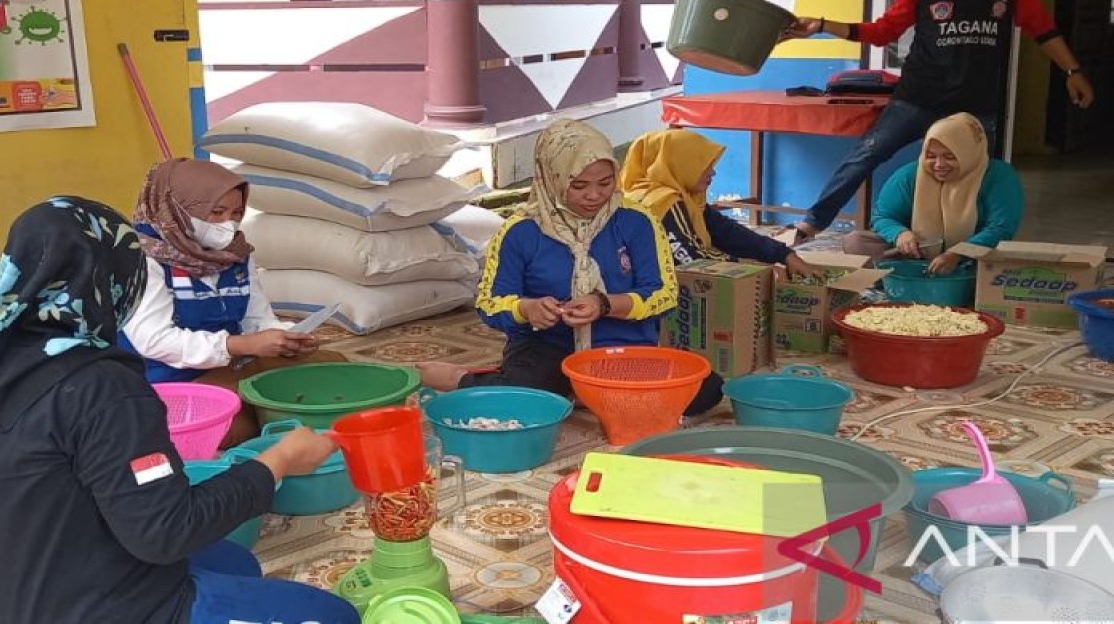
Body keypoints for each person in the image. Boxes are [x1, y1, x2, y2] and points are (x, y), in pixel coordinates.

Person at [0, 197, 360, 624]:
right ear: (116, 280)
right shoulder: (99, 386)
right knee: (331, 616)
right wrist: (276, 462)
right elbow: (167, 532)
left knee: (233, 561)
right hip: (98, 612)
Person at [782, 0, 1092, 245]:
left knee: (975, 177)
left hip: (974, 107)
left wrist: (1073, 71)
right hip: (917, 97)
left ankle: (968, 249)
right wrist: (823, 26)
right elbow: (882, 32)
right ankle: (809, 226)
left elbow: (1042, 29)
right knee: (865, 154)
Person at [417, 119, 723, 416]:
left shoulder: (636, 221)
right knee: (523, 392)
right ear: (552, 179)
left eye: (605, 183)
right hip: (549, 348)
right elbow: (489, 304)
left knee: (706, 389)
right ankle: (461, 380)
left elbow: (664, 295)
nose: (594, 196)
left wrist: (604, 304)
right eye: (578, 186)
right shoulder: (522, 231)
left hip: (621, 350)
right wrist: (527, 309)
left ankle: (581, 394)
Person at [121, 159, 345, 447]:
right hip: (166, 381)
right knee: (237, 426)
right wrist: (238, 346)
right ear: (177, 209)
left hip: (231, 365)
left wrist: (286, 335)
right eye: (216, 212)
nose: (228, 223)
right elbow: (155, 341)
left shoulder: (234, 254)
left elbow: (256, 318)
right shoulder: (142, 260)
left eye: (237, 212)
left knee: (332, 368)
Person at [619, 129, 821, 280]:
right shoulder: (660, 202)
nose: (712, 173)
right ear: (679, 164)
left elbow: (726, 232)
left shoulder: (685, 197)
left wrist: (784, 254)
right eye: (704, 166)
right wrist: (757, 269)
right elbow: (693, 259)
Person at [844, 112, 1023, 274]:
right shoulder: (910, 175)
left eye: (950, 156)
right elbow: (883, 216)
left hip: (971, 258)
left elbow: (1001, 227)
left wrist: (957, 254)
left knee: (1000, 262)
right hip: (916, 255)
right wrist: (900, 234)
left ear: (969, 153)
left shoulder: (998, 176)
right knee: (856, 242)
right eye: (931, 156)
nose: (939, 165)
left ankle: (958, 279)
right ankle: (911, 274)